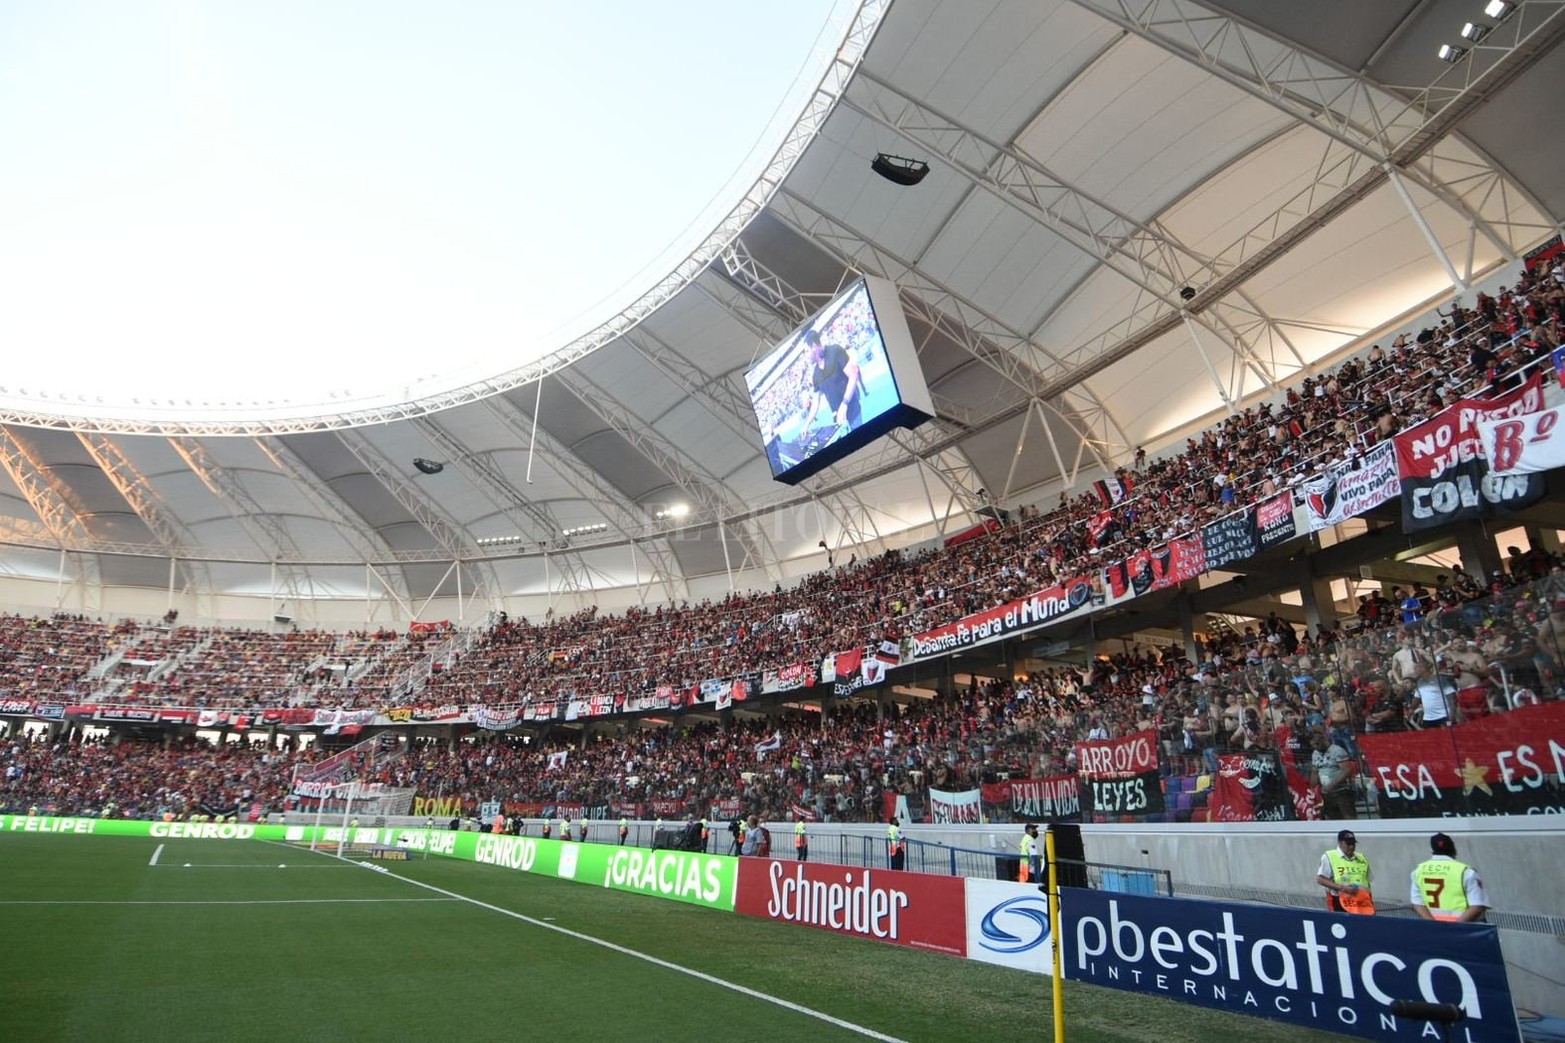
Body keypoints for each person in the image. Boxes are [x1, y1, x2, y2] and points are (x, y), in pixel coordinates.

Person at [1411, 832, 1491, 923]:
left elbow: (1417, 904)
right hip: (1465, 930)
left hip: (1434, 930)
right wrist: (1452, 928)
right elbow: (1477, 907)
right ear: (1454, 850)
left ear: (1432, 851)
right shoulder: (1466, 872)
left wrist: (1434, 926)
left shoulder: (1418, 871)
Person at [801, 329, 863, 434]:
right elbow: (816, 402)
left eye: (806, 351)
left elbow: (853, 376)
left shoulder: (835, 351)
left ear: (814, 346)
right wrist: (806, 425)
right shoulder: (816, 374)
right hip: (838, 421)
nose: (806, 355)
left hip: (853, 411)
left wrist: (844, 404)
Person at [1316, 829, 1374, 915]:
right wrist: (1342, 888)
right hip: (1340, 902)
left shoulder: (1361, 858)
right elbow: (1320, 879)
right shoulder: (1330, 856)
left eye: (1353, 844)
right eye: (1348, 844)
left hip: (1362, 904)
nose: (1351, 847)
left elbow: (1367, 883)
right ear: (1340, 843)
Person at [1310, 731, 1357, 820]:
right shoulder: (1315, 753)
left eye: (1317, 744)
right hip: (1326, 792)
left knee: (1348, 816)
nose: (1316, 747)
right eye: (1313, 745)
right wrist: (1314, 785)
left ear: (1324, 740)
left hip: (1341, 790)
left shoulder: (1337, 750)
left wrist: (1332, 785)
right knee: (1332, 817)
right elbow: (1315, 771)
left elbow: (1347, 770)